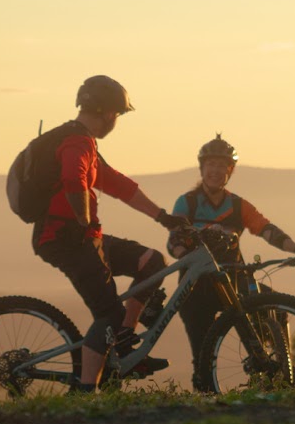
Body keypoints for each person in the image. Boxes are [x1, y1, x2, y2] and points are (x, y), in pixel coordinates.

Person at [32, 75, 186, 393]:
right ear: (107, 112)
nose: (116, 120)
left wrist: (162, 217)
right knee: (109, 312)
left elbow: (117, 184)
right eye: (117, 114)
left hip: (82, 237)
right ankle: (86, 392)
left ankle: (124, 345)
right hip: (66, 238)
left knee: (151, 261)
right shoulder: (77, 142)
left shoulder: (83, 142)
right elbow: (74, 180)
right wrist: (83, 218)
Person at [167, 134, 295, 372]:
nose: (215, 171)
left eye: (222, 166)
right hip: (196, 285)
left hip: (233, 279)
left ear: (230, 171)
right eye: (211, 165)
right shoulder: (187, 203)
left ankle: (282, 368)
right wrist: (182, 251)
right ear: (202, 168)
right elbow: (174, 239)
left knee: (274, 311)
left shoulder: (238, 205)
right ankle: (206, 395)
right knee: (203, 354)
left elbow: (266, 229)